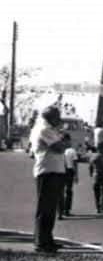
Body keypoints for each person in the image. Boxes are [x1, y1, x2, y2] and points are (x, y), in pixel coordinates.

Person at [30, 106, 69, 253]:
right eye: (57, 117)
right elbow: (59, 147)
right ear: (50, 117)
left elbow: (61, 145)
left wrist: (62, 141)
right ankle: (41, 242)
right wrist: (64, 142)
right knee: (45, 208)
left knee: (50, 208)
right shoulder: (44, 129)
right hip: (47, 172)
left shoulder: (49, 129)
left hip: (53, 171)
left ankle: (47, 239)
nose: (59, 120)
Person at [58, 134, 79, 219]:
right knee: (68, 191)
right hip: (69, 171)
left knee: (60, 192)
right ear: (68, 140)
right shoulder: (72, 151)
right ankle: (66, 210)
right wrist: (76, 175)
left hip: (59, 171)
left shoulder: (59, 150)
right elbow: (75, 164)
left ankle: (60, 211)